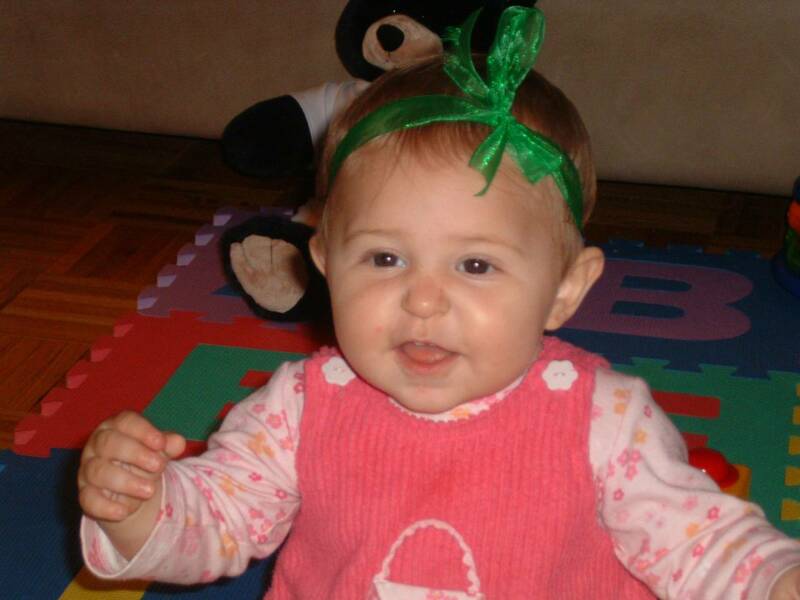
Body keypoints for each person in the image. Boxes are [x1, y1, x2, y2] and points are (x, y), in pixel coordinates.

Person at [77, 7, 800, 599]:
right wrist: (141, 507)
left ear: (564, 290)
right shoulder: (298, 409)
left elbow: (700, 542)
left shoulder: (603, 422)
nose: (422, 301)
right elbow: (217, 518)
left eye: (476, 265)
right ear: (324, 264)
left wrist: (775, 579)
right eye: (384, 258)